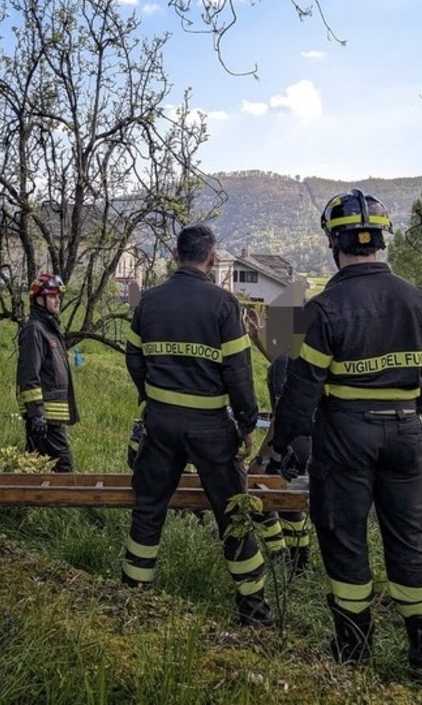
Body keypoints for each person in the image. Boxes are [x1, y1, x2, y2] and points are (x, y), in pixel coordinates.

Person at [270, 188, 422, 682]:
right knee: (408, 544)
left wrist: (281, 448)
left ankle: (353, 649)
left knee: (344, 539)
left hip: (345, 436)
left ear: (334, 243)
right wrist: (408, 414)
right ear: (381, 240)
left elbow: (301, 391)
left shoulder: (324, 308)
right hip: (406, 432)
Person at [122, 224, 273, 628]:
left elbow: (133, 359)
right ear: (212, 258)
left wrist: (151, 397)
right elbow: (239, 373)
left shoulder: (148, 301)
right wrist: (246, 424)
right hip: (211, 430)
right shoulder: (224, 304)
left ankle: (131, 598)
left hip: (160, 425)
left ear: (175, 255)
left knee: (148, 509)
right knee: (233, 515)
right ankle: (255, 612)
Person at [245, 310, 311, 573]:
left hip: (290, 445)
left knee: (256, 495)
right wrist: (257, 340)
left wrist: (263, 458)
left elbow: (282, 415)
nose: (266, 328)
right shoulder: (301, 356)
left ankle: (279, 554)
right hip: (310, 445)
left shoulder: (285, 362)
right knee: (290, 501)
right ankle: (299, 562)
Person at [16, 273, 79, 472]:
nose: (57, 300)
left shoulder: (49, 328)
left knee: (40, 469)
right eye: (52, 296)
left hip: (52, 419)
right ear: (39, 300)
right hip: (45, 419)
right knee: (63, 467)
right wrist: (37, 415)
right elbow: (29, 377)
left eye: (58, 296)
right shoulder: (34, 330)